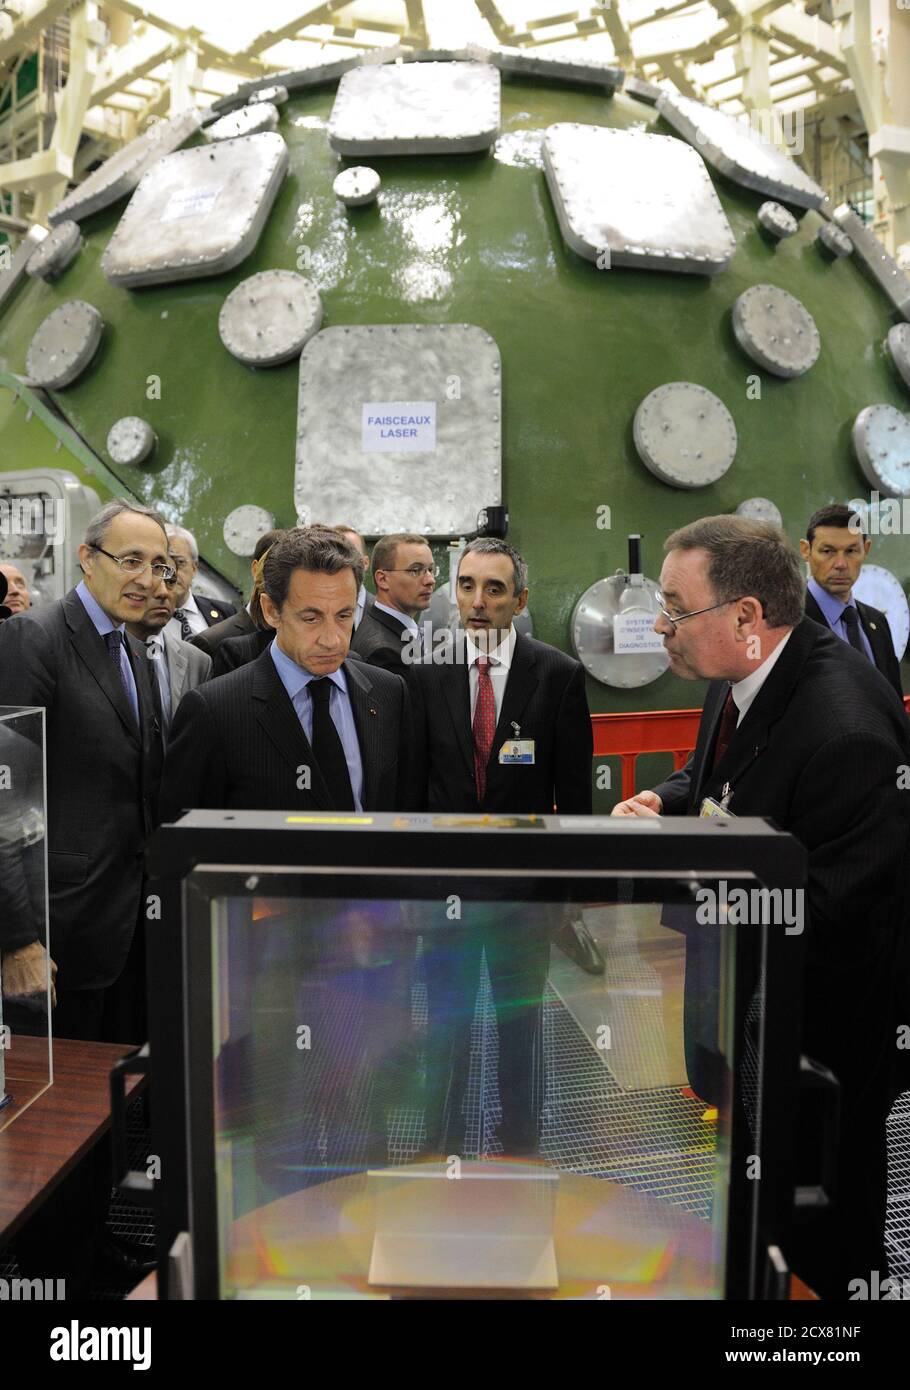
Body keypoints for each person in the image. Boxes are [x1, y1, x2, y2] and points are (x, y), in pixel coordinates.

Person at [611, 514, 910, 1300]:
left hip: (816, 1052)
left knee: (817, 1235)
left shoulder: (847, 728)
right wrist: (668, 803)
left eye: (676, 608)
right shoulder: (745, 672)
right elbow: (718, 779)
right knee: (751, 1213)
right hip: (743, 1024)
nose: (660, 626)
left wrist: (675, 874)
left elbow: (827, 914)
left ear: (745, 616)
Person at [0, 498, 169, 1290]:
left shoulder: (133, 651)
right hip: (55, 932)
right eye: (129, 560)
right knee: (45, 1128)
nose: (146, 578)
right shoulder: (33, 639)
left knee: (108, 1111)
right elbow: (4, 798)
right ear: (86, 559)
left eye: (158, 564)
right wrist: (17, 936)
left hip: (125, 925)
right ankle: (48, 1275)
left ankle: (101, 1253)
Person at [410, 538, 596, 1158]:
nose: (478, 602)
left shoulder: (558, 676)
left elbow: (573, 798)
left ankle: (521, 1142)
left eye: (494, 589)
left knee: (522, 1026)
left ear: (519, 599)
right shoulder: (424, 670)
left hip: (524, 895)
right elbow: (409, 791)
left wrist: (567, 897)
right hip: (446, 894)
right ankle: (442, 1144)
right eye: (466, 586)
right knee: (446, 1026)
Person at [159, 526, 413, 820]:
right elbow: (184, 842)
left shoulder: (389, 694)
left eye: (344, 615)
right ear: (270, 610)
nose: (332, 639)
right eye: (311, 617)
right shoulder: (215, 711)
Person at [800, 503, 903, 698]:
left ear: (866, 549)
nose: (840, 564)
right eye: (828, 551)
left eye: (851, 551)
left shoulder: (878, 622)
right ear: (806, 550)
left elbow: (893, 702)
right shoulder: (787, 621)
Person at [124, 568, 211, 740]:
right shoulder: (104, 654)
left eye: (170, 582)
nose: (163, 593)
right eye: (149, 584)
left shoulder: (198, 661)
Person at [350, 533, 436, 678]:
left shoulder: (384, 630)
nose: (430, 580)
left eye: (431, 570)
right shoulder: (383, 653)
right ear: (382, 579)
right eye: (415, 570)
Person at [191, 528, 284, 658]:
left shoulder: (299, 636)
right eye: (276, 568)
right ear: (256, 569)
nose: (284, 578)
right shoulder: (212, 642)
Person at [163, 523, 235, 641]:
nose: (172, 572)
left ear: (194, 567)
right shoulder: (142, 619)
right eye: (164, 564)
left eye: (180, 562)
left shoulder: (225, 612)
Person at [331, 523, 376, 630]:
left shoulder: (384, 612)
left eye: (351, 554)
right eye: (335, 553)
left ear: (365, 563)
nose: (343, 560)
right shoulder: (312, 609)